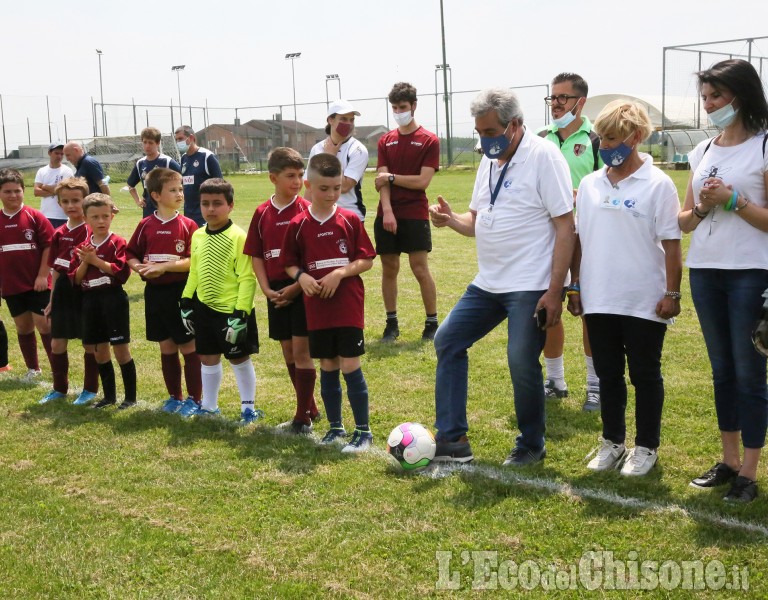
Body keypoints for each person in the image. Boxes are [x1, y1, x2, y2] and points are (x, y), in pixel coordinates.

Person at [428, 88, 575, 466]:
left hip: (530, 283)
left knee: (520, 360)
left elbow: (565, 226)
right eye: (480, 133)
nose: (485, 140)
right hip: (489, 282)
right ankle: (452, 438)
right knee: (448, 340)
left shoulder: (544, 157)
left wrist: (556, 290)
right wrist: (450, 220)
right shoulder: (489, 161)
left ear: (515, 125)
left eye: (491, 132)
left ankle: (531, 443)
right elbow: (476, 222)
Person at [568, 100, 682, 477]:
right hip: (600, 298)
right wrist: (577, 286)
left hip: (643, 300)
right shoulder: (589, 184)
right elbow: (579, 239)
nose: (605, 145)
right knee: (607, 373)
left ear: (634, 137)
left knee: (645, 375)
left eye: (613, 137)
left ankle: (646, 447)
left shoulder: (659, 184)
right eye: (601, 138)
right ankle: (612, 442)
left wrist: (672, 293)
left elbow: (671, 244)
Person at [678, 59, 768, 503]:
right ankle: (728, 461)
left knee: (750, 373)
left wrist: (733, 200)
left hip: (751, 273)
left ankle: (749, 473)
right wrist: (701, 209)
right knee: (722, 371)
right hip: (706, 271)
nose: (710, 105)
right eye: (706, 98)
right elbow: (684, 221)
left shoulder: (765, 147)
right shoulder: (703, 151)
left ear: (742, 96)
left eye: (717, 97)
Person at [282, 153, 376, 452]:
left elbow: (366, 259)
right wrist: (302, 278)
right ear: (308, 185)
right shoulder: (298, 224)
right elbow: (289, 263)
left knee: (349, 364)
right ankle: (336, 428)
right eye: (324, 188)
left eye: (337, 187)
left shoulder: (349, 219)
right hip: (316, 307)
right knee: (327, 364)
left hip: (347, 305)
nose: (332, 194)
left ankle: (363, 431)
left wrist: (340, 272)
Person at [539, 73, 603, 411]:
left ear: (581, 101)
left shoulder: (595, 139)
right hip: (549, 238)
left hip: (588, 238)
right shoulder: (539, 139)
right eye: (553, 97)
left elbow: (611, 182)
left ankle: (595, 386)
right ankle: (556, 381)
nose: (556, 104)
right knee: (549, 308)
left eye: (563, 98)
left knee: (589, 310)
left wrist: (587, 195)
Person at [244, 148, 319, 434]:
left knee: (301, 352)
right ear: (272, 178)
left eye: (300, 175)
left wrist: (296, 287)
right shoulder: (262, 212)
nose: (297, 181)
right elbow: (257, 254)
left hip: (301, 289)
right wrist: (265, 288)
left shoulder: (306, 211)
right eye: (290, 176)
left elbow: (311, 259)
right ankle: (309, 405)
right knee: (288, 351)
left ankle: (302, 418)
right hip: (275, 291)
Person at [180, 178, 263, 424]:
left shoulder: (238, 237)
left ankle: (248, 408)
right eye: (205, 204)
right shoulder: (197, 236)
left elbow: (247, 278)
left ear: (231, 206)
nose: (210, 209)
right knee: (207, 357)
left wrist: (241, 313)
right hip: (204, 308)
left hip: (232, 312)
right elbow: (194, 271)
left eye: (217, 203)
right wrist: (186, 300)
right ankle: (209, 405)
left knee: (238, 358)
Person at [126, 168, 200, 413]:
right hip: (155, 295)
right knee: (166, 346)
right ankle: (174, 397)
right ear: (155, 195)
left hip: (180, 294)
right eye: (173, 190)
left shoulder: (189, 225)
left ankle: (195, 399)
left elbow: (192, 261)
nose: (180, 193)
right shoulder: (146, 225)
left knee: (188, 346)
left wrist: (164, 267)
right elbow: (131, 253)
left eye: (180, 189)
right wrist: (139, 268)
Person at [375, 82, 440, 342]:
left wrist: (391, 177)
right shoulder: (385, 140)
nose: (398, 112)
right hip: (387, 214)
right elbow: (381, 181)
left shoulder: (429, 140)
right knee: (389, 269)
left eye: (402, 107)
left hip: (414, 214)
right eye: (394, 107)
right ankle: (391, 324)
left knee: (419, 268)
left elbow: (422, 182)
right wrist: (387, 211)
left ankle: (432, 323)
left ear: (414, 105)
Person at [70, 193, 136, 410]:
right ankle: (109, 397)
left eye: (105, 216)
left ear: (111, 217)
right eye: (95, 217)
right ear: (86, 219)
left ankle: (130, 398)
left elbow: (121, 274)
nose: (101, 221)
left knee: (120, 349)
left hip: (113, 299)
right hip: (91, 300)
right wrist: (84, 262)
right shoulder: (82, 246)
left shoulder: (118, 242)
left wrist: (95, 260)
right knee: (99, 350)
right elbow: (77, 279)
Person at [39, 177, 100, 405]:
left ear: (85, 200)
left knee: (89, 342)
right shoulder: (58, 233)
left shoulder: (90, 230)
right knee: (57, 343)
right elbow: (55, 269)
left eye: (76, 200)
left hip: (84, 290)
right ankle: (59, 389)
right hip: (64, 290)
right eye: (65, 201)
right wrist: (52, 299)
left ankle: (90, 389)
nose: (71, 205)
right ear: (59, 203)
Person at [0, 168, 55, 382]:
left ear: (24, 191)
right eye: (7, 192)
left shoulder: (35, 216)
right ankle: (33, 369)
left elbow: (49, 247)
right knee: (23, 327)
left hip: (38, 284)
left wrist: (43, 276)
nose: (13, 195)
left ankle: (57, 367)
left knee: (45, 325)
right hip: (11, 285)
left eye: (17, 191)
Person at [306, 100, 369, 221]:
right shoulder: (317, 148)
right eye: (343, 119)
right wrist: (306, 215)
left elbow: (344, 187)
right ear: (330, 120)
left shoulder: (358, 150)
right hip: (320, 216)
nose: (348, 123)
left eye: (351, 120)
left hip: (350, 216)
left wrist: (331, 157)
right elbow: (310, 187)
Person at [127, 127, 182, 219]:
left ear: (157, 143)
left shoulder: (167, 162)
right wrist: (138, 200)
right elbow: (130, 185)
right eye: (145, 142)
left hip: (166, 210)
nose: (147, 146)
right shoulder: (140, 163)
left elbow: (183, 180)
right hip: (148, 210)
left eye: (150, 143)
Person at [174, 125, 223, 227]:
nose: (178, 142)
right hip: (188, 211)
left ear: (191, 138)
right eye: (177, 140)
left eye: (181, 139)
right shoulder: (184, 158)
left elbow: (220, 185)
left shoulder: (207, 156)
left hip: (205, 212)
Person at [34, 142, 74, 229]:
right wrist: (57, 191)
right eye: (56, 153)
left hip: (63, 215)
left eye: (61, 154)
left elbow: (65, 192)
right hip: (46, 215)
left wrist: (44, 186)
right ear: (49, 153)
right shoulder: (42, 171)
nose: (59, 156)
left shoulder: (67, 171)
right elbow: (36, 192)